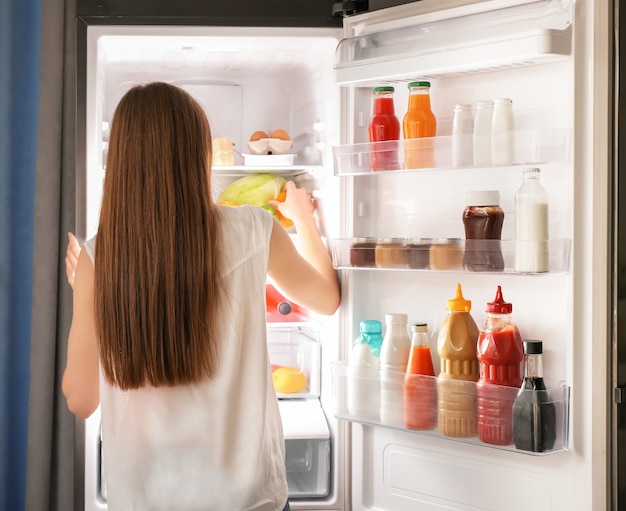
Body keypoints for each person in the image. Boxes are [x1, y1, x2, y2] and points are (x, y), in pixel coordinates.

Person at [62, 82, 340, 511]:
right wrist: (303, 218)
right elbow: (326, 298)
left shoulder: (100, 257)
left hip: (146, 498)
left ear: (120, 163)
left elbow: (81, 400)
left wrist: (90, 291)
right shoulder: (254, 229)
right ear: (199, 157)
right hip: (249, 499)